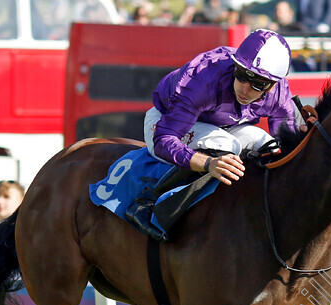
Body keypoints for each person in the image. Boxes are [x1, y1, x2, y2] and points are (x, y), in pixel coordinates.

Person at [126, 28, 305, 241]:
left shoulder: (278, 93)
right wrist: (208, 163)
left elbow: (288, 146)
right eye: (242, 76)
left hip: (220, 128)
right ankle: (146, 202)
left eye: (258, 84)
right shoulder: (204, 79)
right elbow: (164, 140)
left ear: (272, 85)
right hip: (164, 123)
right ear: (235, 66)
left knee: (269, 146)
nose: (245, 89)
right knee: (226, 145)